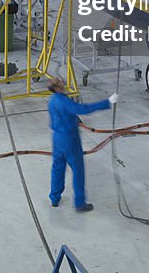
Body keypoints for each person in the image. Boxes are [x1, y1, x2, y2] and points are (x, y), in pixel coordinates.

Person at [47, 77, 117, 212]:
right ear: (56, 88)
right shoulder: (65, 102)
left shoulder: (53, 100)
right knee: (78, 171)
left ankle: (54, 198)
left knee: (57, 168)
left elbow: (61, 114)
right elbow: (84, 108)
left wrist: (73, 118)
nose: (64, 82)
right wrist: (108, 102)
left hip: (57, 138)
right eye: (61, 82)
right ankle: (80, 203)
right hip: (69, 139)